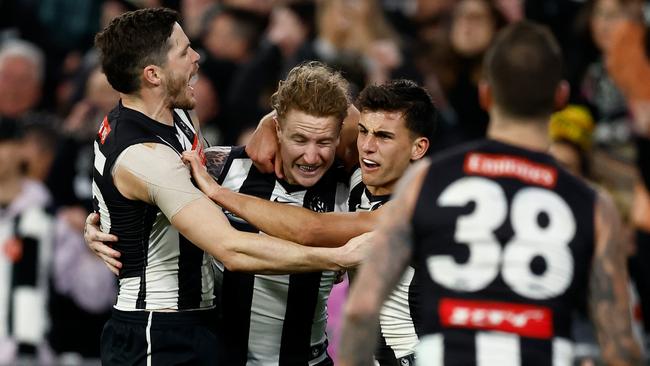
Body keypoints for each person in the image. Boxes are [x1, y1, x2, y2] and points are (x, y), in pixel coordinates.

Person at [338, 21, 643, 366]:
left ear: (485, 94)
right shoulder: (593, 205)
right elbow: (621, 350)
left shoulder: (426, 181)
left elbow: (361, 310)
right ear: (560, 97)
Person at [90, 9, 365, 366]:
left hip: (199, 324)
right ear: (153, 74)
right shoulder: (146, 156)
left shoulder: (177, 115)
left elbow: (355, 121)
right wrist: (334, 258)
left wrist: (272, 121)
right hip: (157, 331)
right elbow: (232, 250)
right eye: (184, 51)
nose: (197, 57)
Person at [182, 79, 436, 365]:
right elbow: (334, 112)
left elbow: (311, 229)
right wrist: (272, 120)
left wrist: (218, 194)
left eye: (384, 137)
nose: (367, 146)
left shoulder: (414, 203)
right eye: (364, 133)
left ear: (418, 148)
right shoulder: (361, 181)